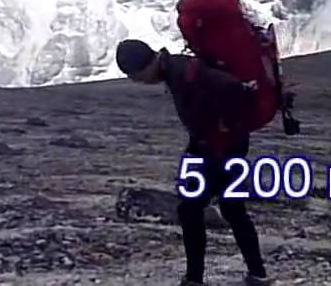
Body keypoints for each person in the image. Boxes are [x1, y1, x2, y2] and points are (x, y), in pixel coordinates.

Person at [116, 38, 274, 286]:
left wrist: (225, 128)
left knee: (190, 210)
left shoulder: (182, 73)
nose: (139, 82)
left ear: (146, 65)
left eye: (137, 76)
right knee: (232, 210)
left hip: (219, 150)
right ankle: (257, 274)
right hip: (222, 147)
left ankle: (195, 280)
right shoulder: (178, 69)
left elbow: (232, 88)